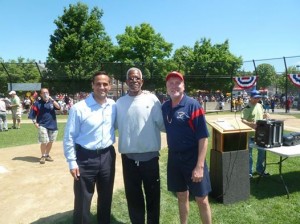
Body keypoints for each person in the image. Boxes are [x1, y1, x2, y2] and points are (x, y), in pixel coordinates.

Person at [63, 71, 116, 224]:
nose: (102, 87)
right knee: (82, 200)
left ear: (110, 86)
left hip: (107, 156)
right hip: (85, 158)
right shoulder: (79, 108)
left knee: (106, 197)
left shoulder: (113, 105)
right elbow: (69, 137)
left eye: (105, 84)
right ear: (92, 85)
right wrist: (72, 162)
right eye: (98, 83)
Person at [161, 71, 212, 224]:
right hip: (174, 157)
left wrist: (200, 166)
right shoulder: (165, 107)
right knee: (182, 195)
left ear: (183, 86)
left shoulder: (192, 105)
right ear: (166, 87)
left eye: (178, 83)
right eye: (171, 83)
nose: (174, 86)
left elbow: (203, 137)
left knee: (201, 199)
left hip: (193, 157)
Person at [116, 67, 165, 224]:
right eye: (131, 78)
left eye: (137, 78)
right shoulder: (119, 103)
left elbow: (163, 124)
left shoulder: (152, 99)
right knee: (133, 197)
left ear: (142, 81)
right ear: (126, 82)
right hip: (128, 159)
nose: (134, 80)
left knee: (152, 196)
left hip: (150, 158)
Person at [241, 90, 270, 178]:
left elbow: (261, 115)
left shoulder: (260, 105)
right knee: (249, 155)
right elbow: (242, 120)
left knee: (262, 153)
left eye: (258, 97)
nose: (257, 99)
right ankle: (249, 173)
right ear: (251, 97)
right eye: (255, 97)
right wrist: (251, 124)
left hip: (260, 134)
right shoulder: (247, 107)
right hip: (250, 135)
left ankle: (260, 169)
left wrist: (266, 115)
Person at [28, 88, 61, 164]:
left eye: (47, 92)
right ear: (41, 94)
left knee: (50, 141)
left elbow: (58, 107)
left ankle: (47, 155)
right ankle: (43, 156)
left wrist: (52, 100)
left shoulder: (52, 102)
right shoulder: (37, 103)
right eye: (43, 93)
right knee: (44, 141)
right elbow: (32, 115)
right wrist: (35, 123)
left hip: (53, 125)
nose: (45, 94)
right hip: (42, 125)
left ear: (49, 93)